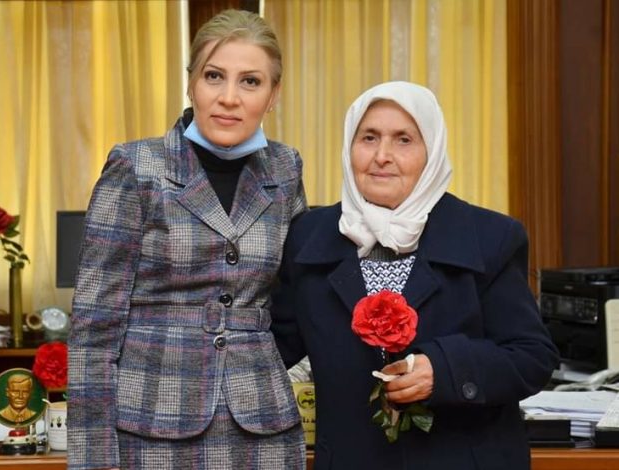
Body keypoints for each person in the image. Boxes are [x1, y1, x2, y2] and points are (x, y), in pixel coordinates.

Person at [272, 81, 559, 470]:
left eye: (403, 140)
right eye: (369, 137)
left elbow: (532, 358)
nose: (382, 156)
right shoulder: (309, 237)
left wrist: (444, 370)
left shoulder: (490, 237)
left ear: (432, 151)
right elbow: (272, 347)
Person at [68, 9, 307, 470]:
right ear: (191, 83)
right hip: (152, 426)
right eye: (214, 76)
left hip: (262, 425)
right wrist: (93, 459)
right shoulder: (136, 166)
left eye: (250, 81)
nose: (229, 98)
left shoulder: (285, 168)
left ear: (273, 95)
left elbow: (295, 300)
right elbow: (93, 332)